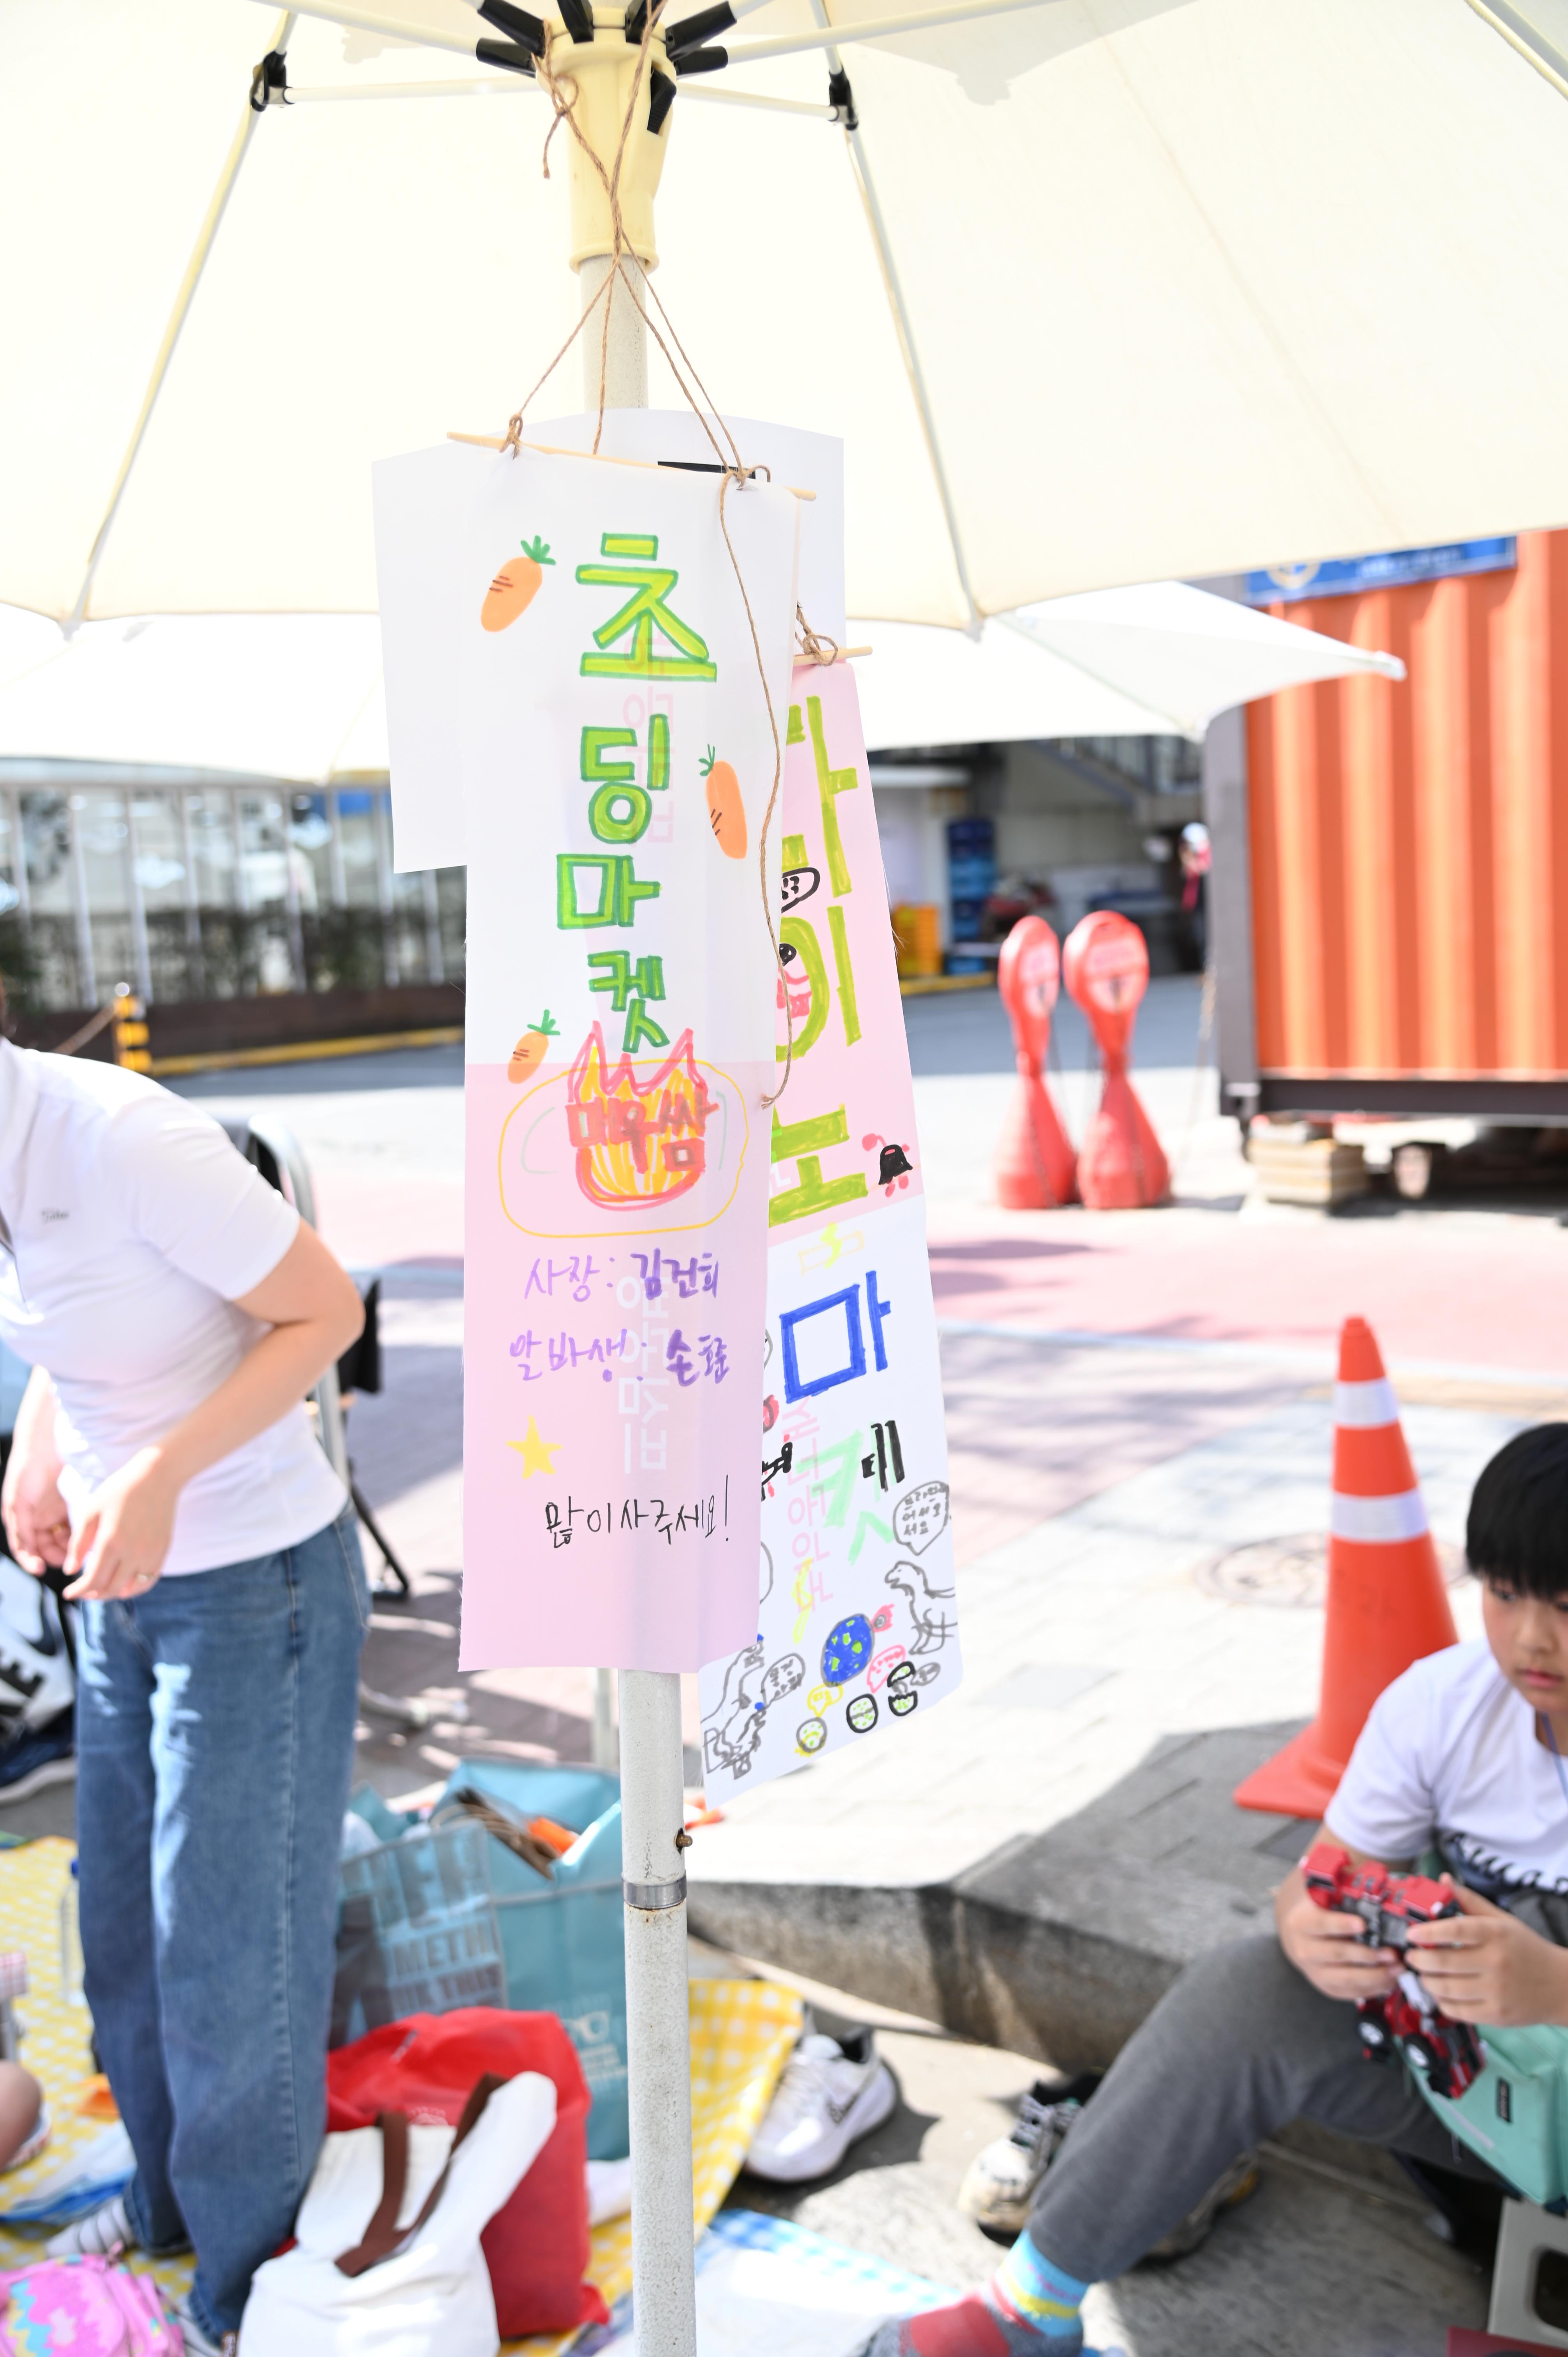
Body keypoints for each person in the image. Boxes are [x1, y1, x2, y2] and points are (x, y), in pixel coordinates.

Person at [858, 1423, 1568, 2356]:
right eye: (1504, 1594)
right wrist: (1307, 1925)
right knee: (1250, 1988)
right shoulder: (1442, 1704)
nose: (1530, 1638)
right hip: (1481, 2085)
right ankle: (1025, 2309)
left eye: (1565, 1603)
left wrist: (1552, 1987)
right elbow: (1316, 1880)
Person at [0, 1015, 367, 2355]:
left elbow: (327, 1312)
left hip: (256, 1581)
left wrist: (160, 1471)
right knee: (121, 1934)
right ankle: (169, 2214)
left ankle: (244, 2294)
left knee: (226, 1955)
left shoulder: (122, 1135)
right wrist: (40, 1448)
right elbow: (87, 1326)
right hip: (121, 1582)